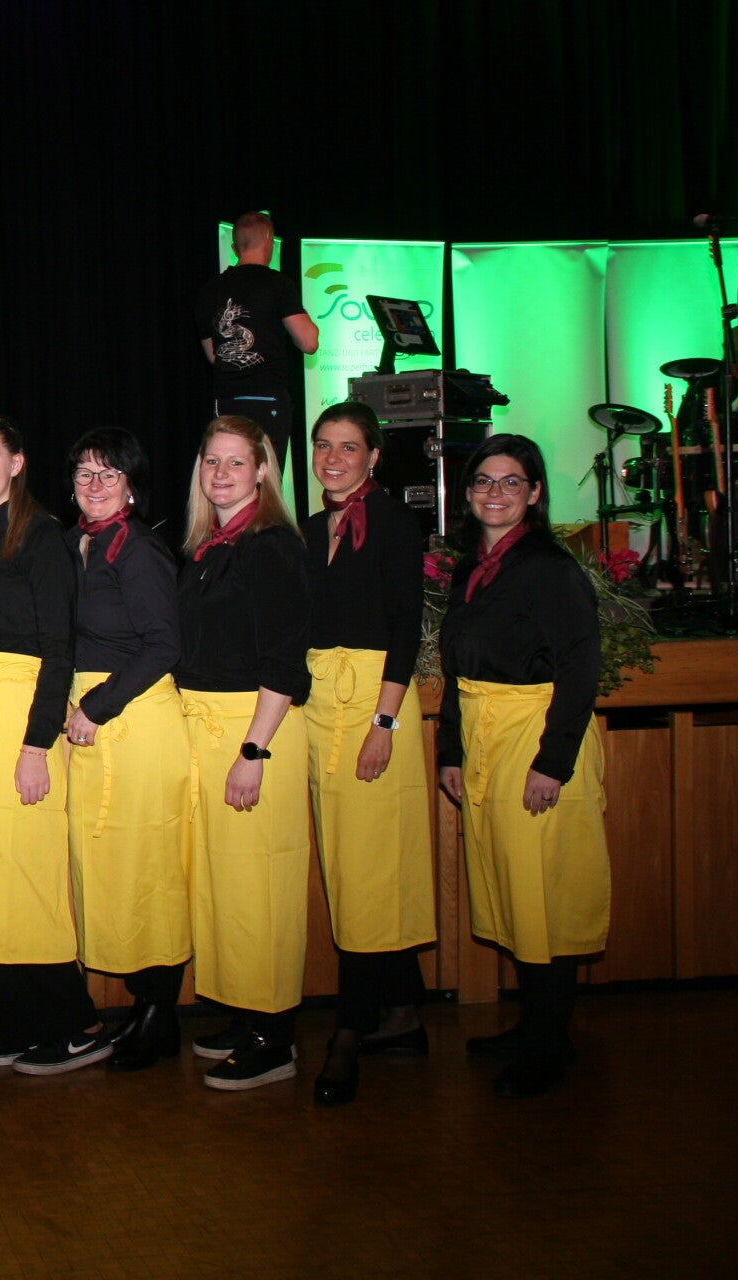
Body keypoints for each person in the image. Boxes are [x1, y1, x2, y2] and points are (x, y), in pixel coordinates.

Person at [436, 434, 606, 1100]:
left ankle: (547, 1045)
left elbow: (581, 667)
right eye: (484, 481)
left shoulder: (550, 568)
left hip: (535, 737)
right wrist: (452, 750)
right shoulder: (473, 567)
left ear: (535, 493)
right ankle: (537, 1025)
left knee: (544, 893)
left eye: (511, 482)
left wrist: (552, 764)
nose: (495, 493)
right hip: (487, 737)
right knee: (511, 886)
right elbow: (458, 667)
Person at [0, 412, 106, 1076]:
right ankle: (15, 1022)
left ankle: (75, 1023)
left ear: (16, 464)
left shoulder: (41, 537)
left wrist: (36, 747)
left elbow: (59, 651)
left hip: (16, 724)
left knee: (26, 876)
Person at [301, 403, 436, 1106]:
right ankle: (404, 1012)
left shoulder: (393, 522)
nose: (333, 458)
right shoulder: (309, 528)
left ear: (374, 456)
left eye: (348, 447)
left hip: (374, 706)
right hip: (321, 705)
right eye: (323, 445)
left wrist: (384, 722)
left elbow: (405, 627)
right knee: (351, 863)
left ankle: (350, 1030)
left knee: (368, 870)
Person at [175, 414, 314, 1091]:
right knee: (223, 885)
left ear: (262, 471)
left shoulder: (272, 547)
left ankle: (274, 1035)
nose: (222, 473)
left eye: (237, 461)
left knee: (261, 887)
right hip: (209, 729)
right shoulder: (206, 547)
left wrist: (253, 750)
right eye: (212, 461)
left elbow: (285, 660)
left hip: (258, 731)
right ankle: (242, 1012)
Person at [62, 429, 192, 1073]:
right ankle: (144, 1006)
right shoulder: (77, 544)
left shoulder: (138, 549)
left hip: (134, 722)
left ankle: (159, 1014)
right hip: (95, 719)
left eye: (108, 474)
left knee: (148, 871)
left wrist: (96, 706)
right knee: (112, 872)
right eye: (84, 472)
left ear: (132, 487)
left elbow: (163, 645)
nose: (94, 484)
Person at [195, 212, 320, 477]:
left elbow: (213, 355)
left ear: (234, 248)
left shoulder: (210, 290)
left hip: (226, 402)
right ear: (269, 241)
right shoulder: (278, 283)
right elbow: (309, 342)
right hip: (267, 398)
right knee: (265, 483)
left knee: (230, 478)